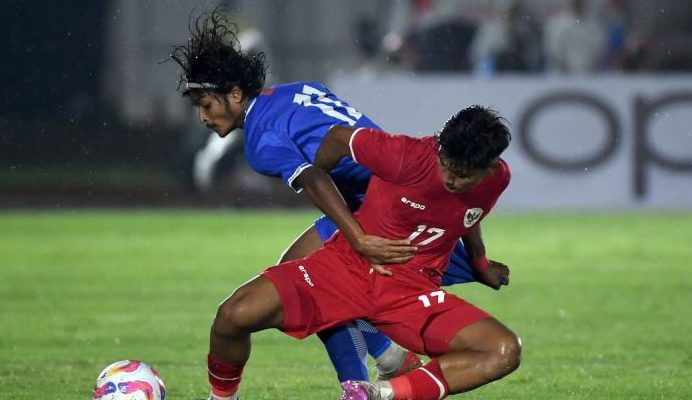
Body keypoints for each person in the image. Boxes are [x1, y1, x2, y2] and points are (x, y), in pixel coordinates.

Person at [170, 9, 510, 392]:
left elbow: (315, 174)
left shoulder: (261, 141)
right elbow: (340, 136)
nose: (202, 117)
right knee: (298, 271)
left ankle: (369, 371)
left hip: (383, 207)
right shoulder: (298, 89)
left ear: (234, 94)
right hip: (388, 195)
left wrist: (359, 236)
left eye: (206, 105)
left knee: (306, 286)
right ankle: (383, 356)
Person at [206, 105, 520, 400]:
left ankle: (377, 393)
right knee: (232, 315)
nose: (452, 179)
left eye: (464, 175)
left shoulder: (498, 179)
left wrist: (479, 261)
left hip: (411, 292)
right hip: (345, 267)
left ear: (489, 166)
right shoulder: (405, 155)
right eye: (448, 167)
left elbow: (467, 214)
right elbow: (337, 138)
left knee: (503, 350)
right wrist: (356, 234)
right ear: (440, 146)